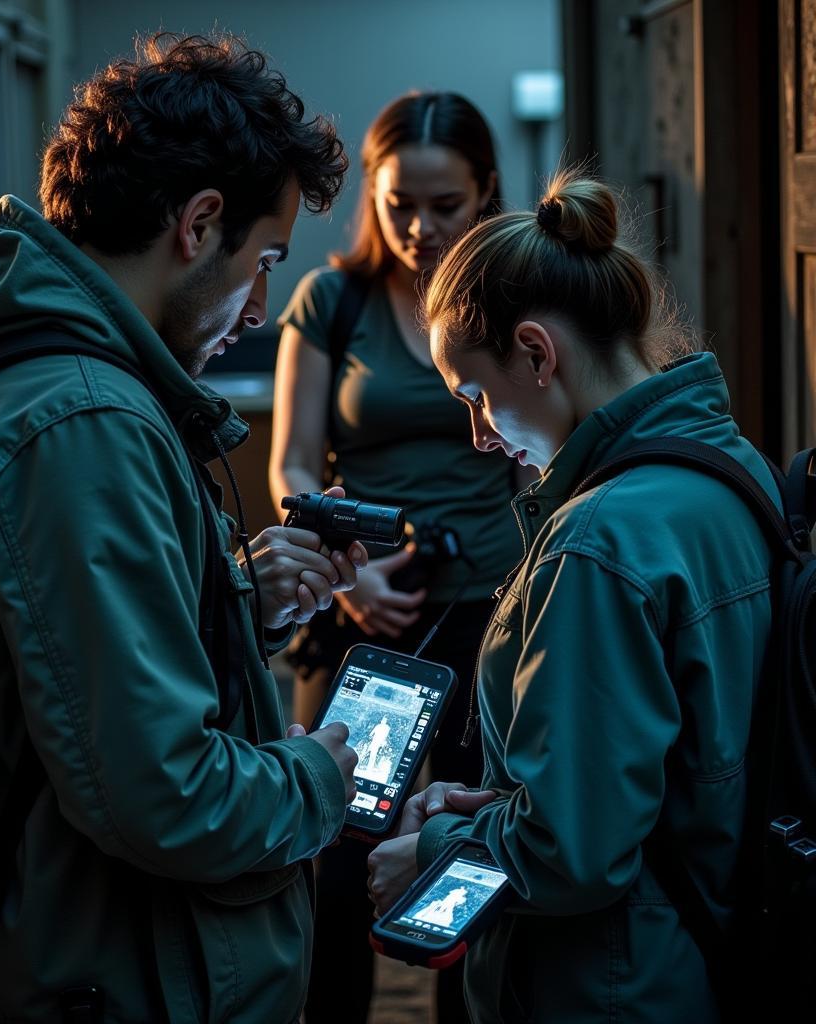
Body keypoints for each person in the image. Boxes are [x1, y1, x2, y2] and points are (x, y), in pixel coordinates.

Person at [0, 33, 369, 1024]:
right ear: (199, 224)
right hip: (118, 976)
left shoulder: (5, 363)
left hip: (52, 952)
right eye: (265, 259)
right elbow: (162, 792)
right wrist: (318, 776)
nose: (262, 304)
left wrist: (232, 596)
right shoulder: (81, 422)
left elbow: (48, 672)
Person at [367, 169, 778, 1023]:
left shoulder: (596, 543)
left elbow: (573, 851)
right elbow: (671, 767)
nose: (480, 436)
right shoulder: (732, 469)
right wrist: (498, 805)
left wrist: (433, 850)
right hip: (702, 953)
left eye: (476, 397)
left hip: (607, 983)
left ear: (536, 352)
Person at [268, 91, 523, 1023]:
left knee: (466, 855)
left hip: (491, 618)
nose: (419, 227)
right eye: (396, 203)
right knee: (333, 855)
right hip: (359, 617)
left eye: (445, 206)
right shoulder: (331, 299)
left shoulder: (510, 299)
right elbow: (294, 460)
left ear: (487, 191)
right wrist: (350, 578)